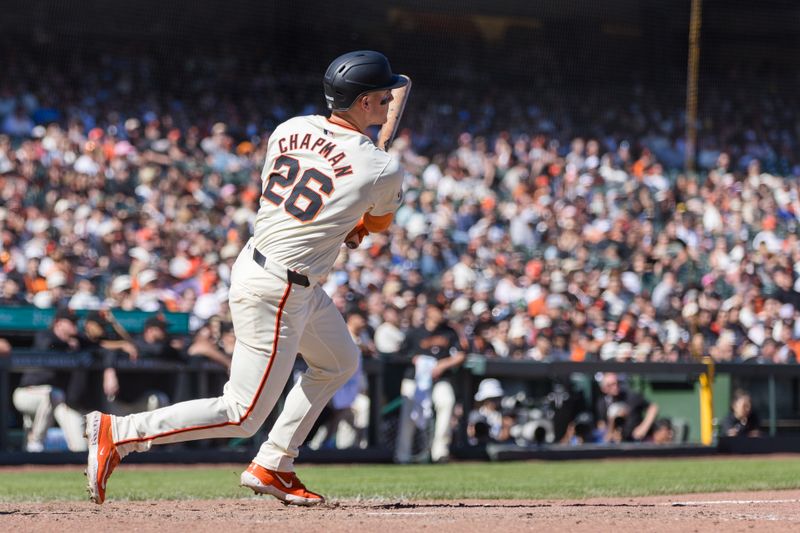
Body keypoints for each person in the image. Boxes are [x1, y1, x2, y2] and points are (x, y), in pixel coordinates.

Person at [85, 50, 408, 506]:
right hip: (280, 286)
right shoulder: (380, 166)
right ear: (364, 102)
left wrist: (347, 221)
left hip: (276, 268)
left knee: (339, 362)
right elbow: (375, 226)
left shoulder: (290, 128)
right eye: (380, 96)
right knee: (242, 413)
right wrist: (354, 222)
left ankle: (274, 462)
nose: (387, 103)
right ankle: (120, 432)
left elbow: (323, 204)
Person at [12, 309, 89, 452]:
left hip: (57, 399)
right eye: (71, 322)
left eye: (75, 322)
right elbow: (47, 344)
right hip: (27, 393)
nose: (75, 326)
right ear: (58, 323)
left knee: (81, 447)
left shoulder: (78, 341)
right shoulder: (45, 335)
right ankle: (35, 442)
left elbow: (96, 346)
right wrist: (67, 344)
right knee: (51, 393)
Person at [594, 372, 659, 442]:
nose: (615, 387)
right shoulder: (602, 403)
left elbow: (653, 408)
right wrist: (611, 433)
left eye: (616, 383)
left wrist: (643, 427)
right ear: (603, 389)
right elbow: (603, 425)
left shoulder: (631, 396)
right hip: (618, 442)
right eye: (610, 385)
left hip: (637, 440)